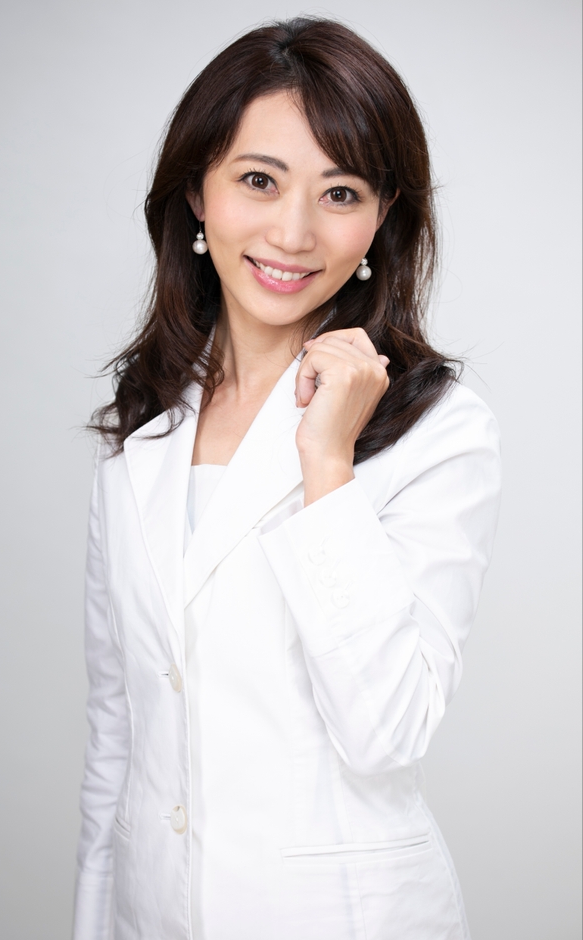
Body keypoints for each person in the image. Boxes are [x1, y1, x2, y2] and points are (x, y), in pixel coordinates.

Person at [74, 17, 501, 940]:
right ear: (198, 190)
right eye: (259, 180)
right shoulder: (145, 422)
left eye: (340, 192)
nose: (294, 232)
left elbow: (387, 732)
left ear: (382, 216)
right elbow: (119, 736)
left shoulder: (438, 429)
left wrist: (328, 462)